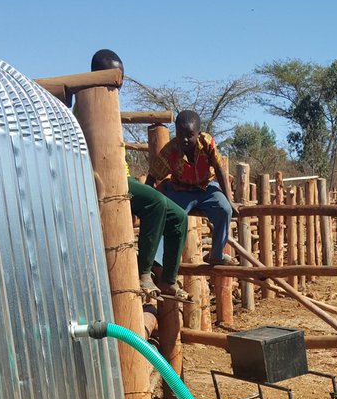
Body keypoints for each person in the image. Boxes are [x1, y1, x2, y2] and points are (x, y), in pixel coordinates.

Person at [90, 50, 189, 300]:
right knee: (155, 202)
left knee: (178, 216)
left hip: (125, 178)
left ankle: (168, 279)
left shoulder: (110, 105)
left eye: (121, 75)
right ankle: (143, 272)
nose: (120, 81)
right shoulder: (88, 104)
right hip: (105, 181)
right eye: (116, 75)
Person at [146, 110, 236, 264]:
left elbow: (219, 169)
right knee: (170, 216)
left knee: (224, 210)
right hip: (180, 190)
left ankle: (216, 255)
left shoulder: (207, 143)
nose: (185, 139)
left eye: (190, 135)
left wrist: (229, 199)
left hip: (206, 188)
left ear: (198, 133)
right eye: (181, 135)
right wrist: (146, 201)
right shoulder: (170, 150)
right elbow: (153, 175)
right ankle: (158, 261)